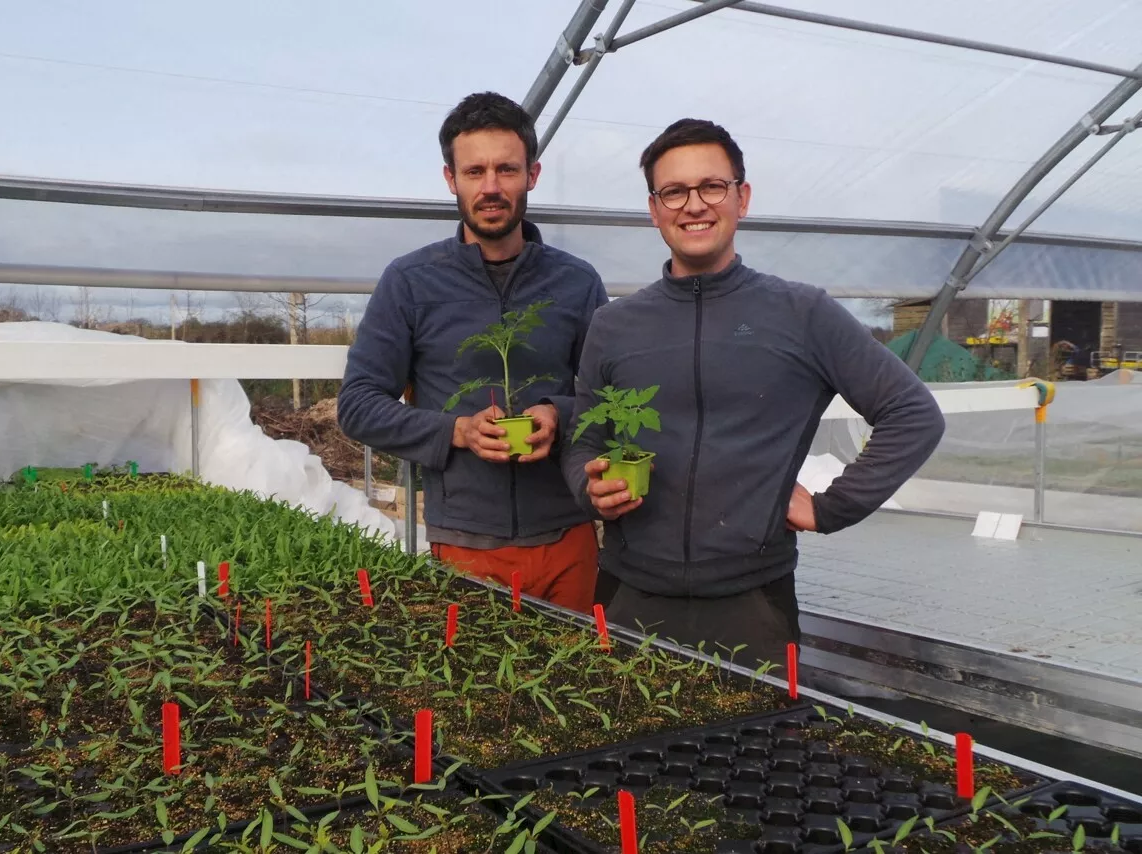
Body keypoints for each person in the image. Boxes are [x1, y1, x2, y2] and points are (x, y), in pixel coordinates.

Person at [563, 119, 945, 666]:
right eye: (674, 191)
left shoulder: (800, 313)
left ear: (741, 198)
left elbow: (913, 414)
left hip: (752, 604)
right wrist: (588, 485)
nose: (693, 204)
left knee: (752, 748)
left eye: (711, 186)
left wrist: (834, 506)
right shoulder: (615, 325)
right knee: (625, 745)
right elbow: (583, 439)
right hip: (629, 596)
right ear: (654, 210)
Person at [338, 92, 608, 613]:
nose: (490, 187)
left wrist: (558, 413)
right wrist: (455, 431)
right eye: (474, 171)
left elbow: (605, 397)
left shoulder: (576, 282)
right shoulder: (411, 282)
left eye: (506, 169)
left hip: (569, 539)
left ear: (532, 174)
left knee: (583, 686)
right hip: (463, 544)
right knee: (474, 690)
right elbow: (358, 404)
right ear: (450, 179)